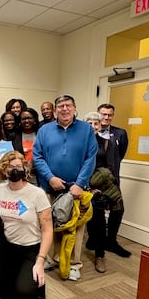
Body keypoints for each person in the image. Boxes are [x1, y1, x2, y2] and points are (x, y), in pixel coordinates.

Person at [33, 94, 97, 280]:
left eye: (68, 105)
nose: (64, 109)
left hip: (76, 190)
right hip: (50, 187)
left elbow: (90, 158)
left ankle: (74, 264)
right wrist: (50, 177)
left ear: (74, 108)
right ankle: (52, 259)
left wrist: (79, 184)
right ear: (55, 110)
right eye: (60, 106)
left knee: (75, 227)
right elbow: (37, 156)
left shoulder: (86, 130)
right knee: (50, 224)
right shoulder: (45, 130)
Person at [0, 151, 52, 299]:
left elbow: (48, 230)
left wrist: (40, 261)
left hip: (31, 249)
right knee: (4, 294)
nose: (15, 170)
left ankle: (40, 286)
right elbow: (2, 222)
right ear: (4, 170)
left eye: (18, 166)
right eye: (10, 167)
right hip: (9, 247)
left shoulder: (37, 193)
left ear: (25, 169)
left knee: (24, 295)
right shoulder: (1, 190)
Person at [83, 112, 125, 273]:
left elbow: (110, 168)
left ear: (100, 126)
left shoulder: (107, 143)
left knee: (99, 222)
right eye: (89, 123)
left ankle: (100, 255)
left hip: (98, 189)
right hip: (80, 187)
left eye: (96, 123)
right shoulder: (79, 144)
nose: (93, 126)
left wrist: (98, 188)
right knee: (86, 222)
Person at [97, 103, 131, 258]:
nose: (106, 117)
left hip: (112, 180)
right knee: (96, 212)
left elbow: (120, 154)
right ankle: (96, 240)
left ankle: (111, 241)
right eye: (103, 114)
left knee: (118, 209)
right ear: (98, 114)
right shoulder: (90, 132)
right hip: (95, 180)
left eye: (109, 115)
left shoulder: (120, 133)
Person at [17, 108, 40, 185]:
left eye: (29, 118)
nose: (26, 121)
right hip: (21, 175)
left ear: (35, 120)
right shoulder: (15, 137)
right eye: (23, 119)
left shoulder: (41, 134)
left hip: (40, 173)